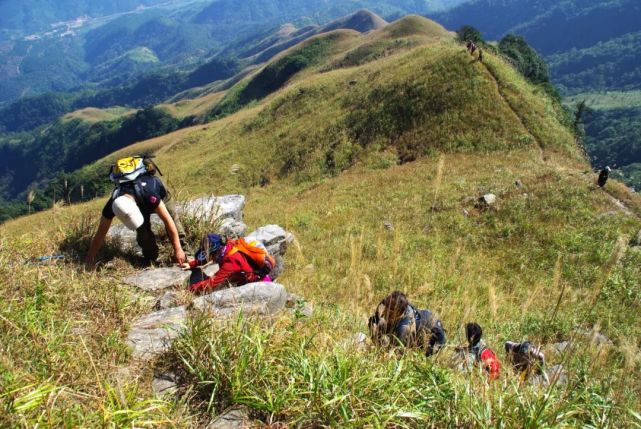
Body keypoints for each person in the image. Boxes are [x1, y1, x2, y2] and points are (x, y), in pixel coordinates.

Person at [85, 162, 185, 268]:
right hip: (139, 201)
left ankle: (185, 253)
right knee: (143, 234)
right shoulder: (112, 205)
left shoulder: (149, 195)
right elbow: (100, 233)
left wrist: (178, 249)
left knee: (174, 220)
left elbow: (168, 220)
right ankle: (150, 257)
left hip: (160, 195)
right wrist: (90, 257)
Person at [187, 233, 274, 293]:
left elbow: (212, 283)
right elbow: (209, 258)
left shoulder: (232, 261)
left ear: (215, 252)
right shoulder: (227, 246)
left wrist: (189, 289)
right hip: (245, 277)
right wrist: (192, 264)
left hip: (258, 284)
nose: (206, 255)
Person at [368, 291, 446, 356]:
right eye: (386, 307)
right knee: (376, 323)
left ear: (397, 313)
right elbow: (376, 318)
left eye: (389, 311)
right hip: (425, 315)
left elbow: (397, 356)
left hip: (434, 339)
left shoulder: (404, 328)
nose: (384, 311)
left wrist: (384, 353)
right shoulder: (390, 303)